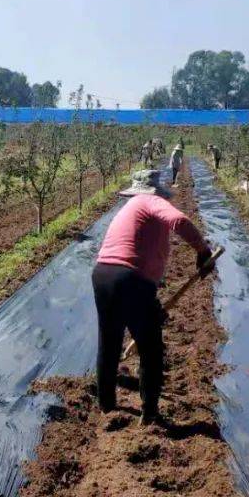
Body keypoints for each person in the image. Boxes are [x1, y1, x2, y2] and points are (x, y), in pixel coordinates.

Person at [92, 170, 213, 425]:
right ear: (155, 192)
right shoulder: (150, 201)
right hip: (130, 278)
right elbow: (179, 221)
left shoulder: (131, 207)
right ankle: (150, 413)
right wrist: (203, 250)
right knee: (151, 348)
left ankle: (106, 404)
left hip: (103, 274)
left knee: (110, 340)